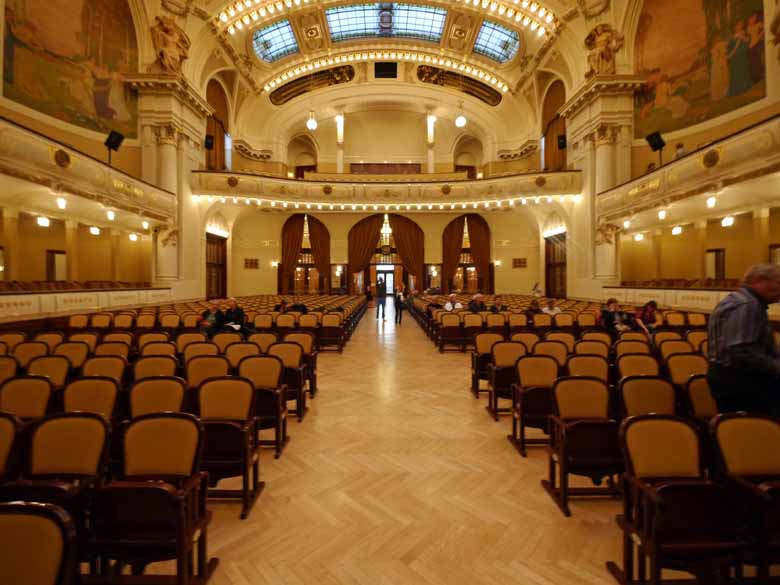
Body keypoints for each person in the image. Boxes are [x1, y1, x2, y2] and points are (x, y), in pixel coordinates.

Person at [707, 264, 780, 415]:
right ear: (759, 281)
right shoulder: (748, 305)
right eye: (778, 283)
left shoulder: (739, 300)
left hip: (729, 377)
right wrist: (776, 366)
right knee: (755, 425)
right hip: (742, 381)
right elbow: (741, 350)